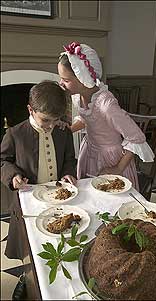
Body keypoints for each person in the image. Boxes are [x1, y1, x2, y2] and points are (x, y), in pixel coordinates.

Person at [58, 41, 154, 191]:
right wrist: (69, 129)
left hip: (110, 159)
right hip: (90, 151)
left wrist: (117, 168)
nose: (61, 83)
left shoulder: (106, 105)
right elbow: (87, 119)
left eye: (66, 80)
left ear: (83, 78)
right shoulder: (78, 96)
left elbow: (137, 138)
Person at [1, 80, 77, 260]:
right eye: (45, 120)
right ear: (30, 110)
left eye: (55, 119)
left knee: (57, 238)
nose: (51, 125)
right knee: (30, 245)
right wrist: (13, 176)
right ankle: (27, 277)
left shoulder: (63, 131)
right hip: (29, 200)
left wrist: (68, 173)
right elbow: (2, 160)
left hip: (58, 199)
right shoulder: (15, 134)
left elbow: (69, 159)